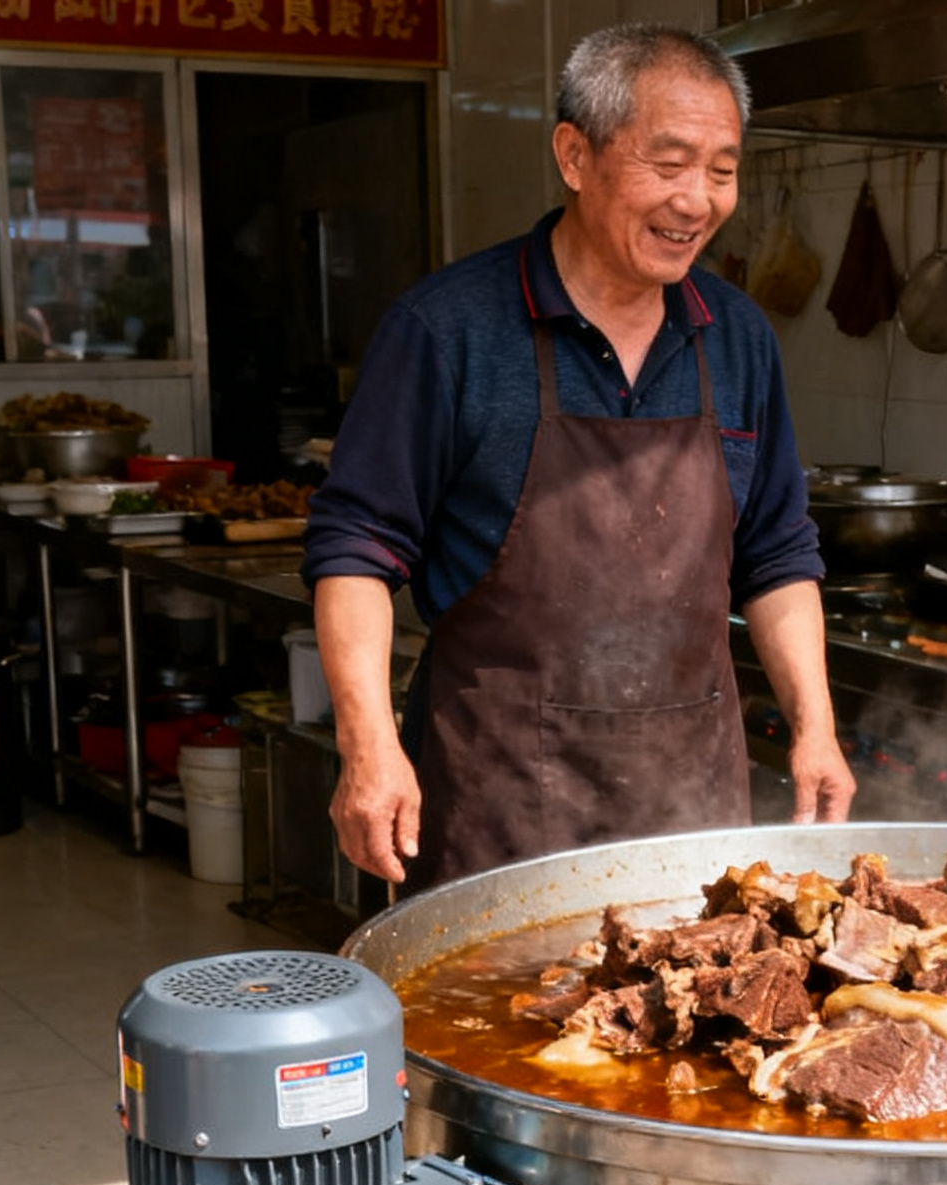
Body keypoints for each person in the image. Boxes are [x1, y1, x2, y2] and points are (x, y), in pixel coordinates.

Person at [302, 23, 855, 889]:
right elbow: (356, 550)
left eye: (722, 170)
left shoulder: (738, 336)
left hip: (693, 805)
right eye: (668, 164)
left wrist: (815, 729)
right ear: (574, 154)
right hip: (503, 798)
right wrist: (368, 748)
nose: (697, 201)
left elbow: (778, 552)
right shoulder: (447, 331)